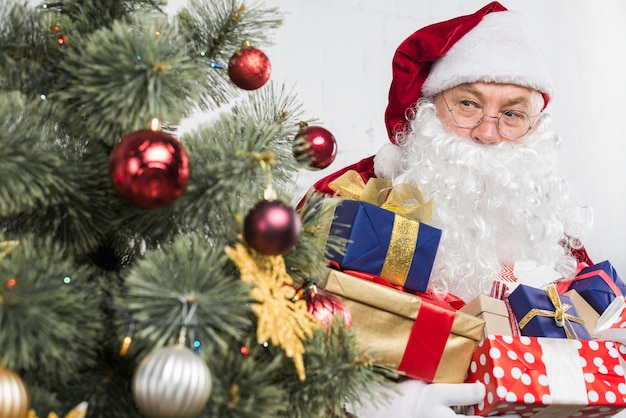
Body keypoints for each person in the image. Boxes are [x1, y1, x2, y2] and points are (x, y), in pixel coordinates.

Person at [305, 2, 615, 417]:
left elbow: (596, 328)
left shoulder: (545, 228)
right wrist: (385, 405)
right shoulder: (356, 193)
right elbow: (278, 323)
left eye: (512, 113)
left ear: (535, 127)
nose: (488, 133)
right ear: (428, 107)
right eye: (468, 104)